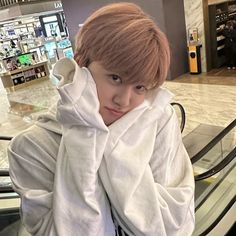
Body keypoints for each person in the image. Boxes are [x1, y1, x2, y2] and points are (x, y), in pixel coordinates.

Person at [8, 3, 195, 236]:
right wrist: (85, 134)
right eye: (115, 78)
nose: (124, 101)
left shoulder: (156, 120)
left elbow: (174, 223)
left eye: (140, 87)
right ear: (81, 64)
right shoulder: (32, 147)